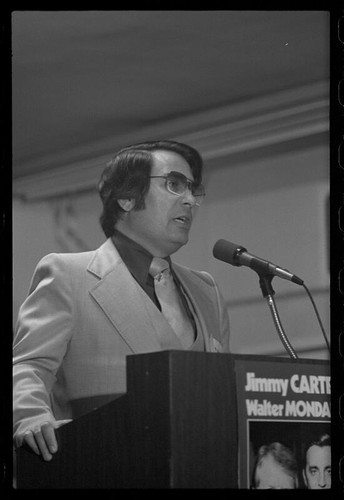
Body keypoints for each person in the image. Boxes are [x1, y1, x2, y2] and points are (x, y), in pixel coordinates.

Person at [13, 140, 230, 462]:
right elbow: (29, 365)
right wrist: (30, 417)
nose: (189, 200)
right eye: (174, 184)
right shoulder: (67, 275)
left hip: (199, 464)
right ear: (127, 198)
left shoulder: (205, 289)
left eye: (192, 189)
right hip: (99, 462)